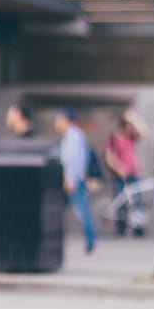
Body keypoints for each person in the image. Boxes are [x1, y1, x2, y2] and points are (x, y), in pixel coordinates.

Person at [54, 108, 98, 254]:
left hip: (72, 180)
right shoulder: (72, 135)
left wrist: (70, 179)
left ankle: (91, 240)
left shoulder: (73, 136)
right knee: (78, 209)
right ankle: (90, 240)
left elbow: (73, 160)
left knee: (82, 210)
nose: (56, 122)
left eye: (59, 119)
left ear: (66, 119)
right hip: (73, 179)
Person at [105, 109, 145, 237]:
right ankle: (120, 227)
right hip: (120, 174)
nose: (131, 128)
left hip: (134, 173)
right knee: (120, 200)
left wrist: (134, 118)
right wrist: (119, 168)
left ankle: (138, 226)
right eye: (129, 125)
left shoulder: (131, 137)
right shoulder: (113, 137)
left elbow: (144, 131)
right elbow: (109, 157)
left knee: (137, 200)